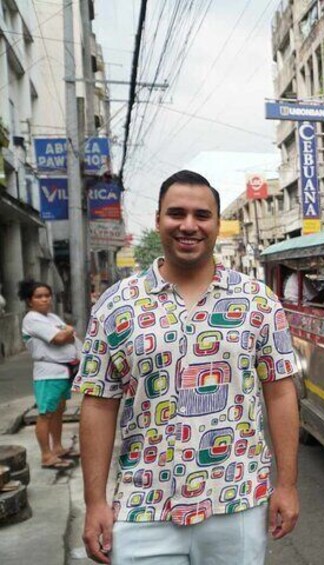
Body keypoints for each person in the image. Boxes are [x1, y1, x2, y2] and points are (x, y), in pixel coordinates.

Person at [74, 170, 300, 564]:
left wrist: (288, 484)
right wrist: (95, 502)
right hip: (142, 506)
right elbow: (98, 403)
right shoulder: (117, 304)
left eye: (202, 215)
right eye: (176, 213)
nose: (189, 225)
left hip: (238, 500)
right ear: (159, 218)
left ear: (216, 223)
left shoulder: (257, 302)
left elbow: (280, 393)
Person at [19, 280, 80, 469]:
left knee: (58, 411)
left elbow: (69, 336)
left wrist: (68, 332)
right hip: (48, 373)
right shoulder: (32, 318)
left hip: (62, 372)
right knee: (46, 414)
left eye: (47, 295)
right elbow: (60, 338)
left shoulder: (52, 317)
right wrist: (68, 330)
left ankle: (58, 447)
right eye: (39, 296)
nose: (45, 299)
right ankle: (46, 455)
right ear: (30, 301)